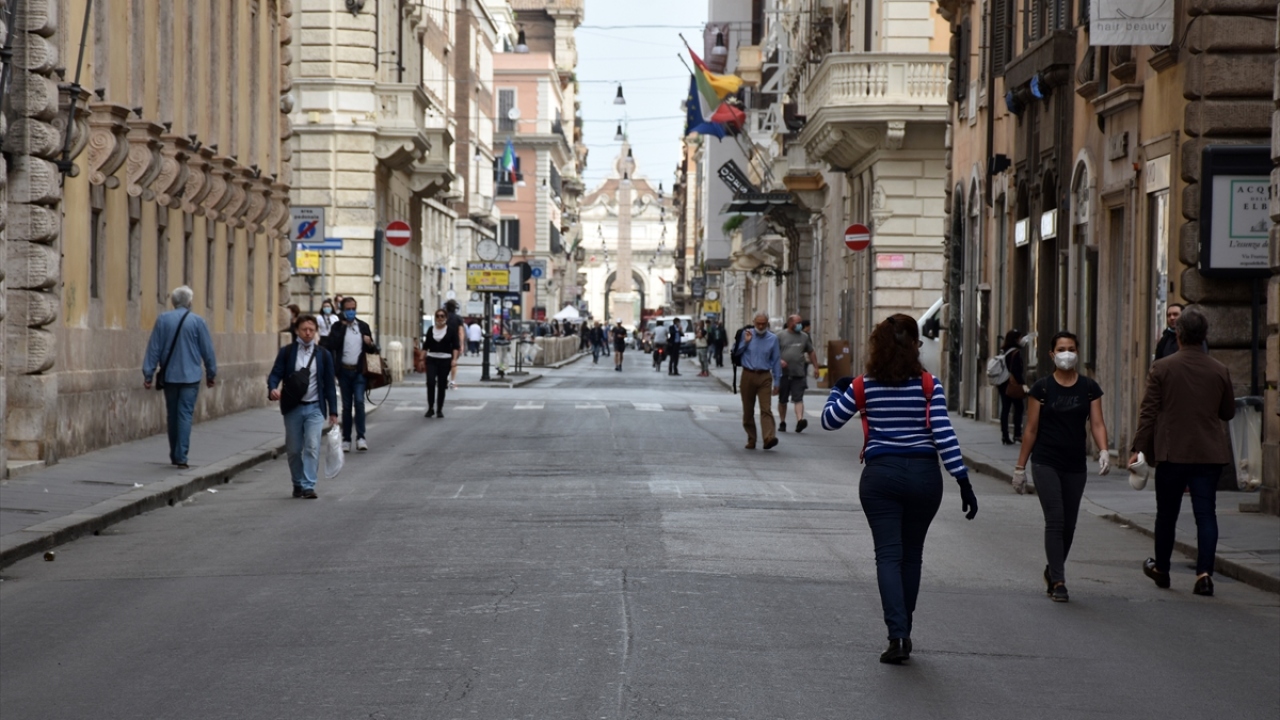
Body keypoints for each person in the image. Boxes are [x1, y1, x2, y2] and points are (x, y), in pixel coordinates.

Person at [820, 313, 977, 664]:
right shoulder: (928, 385)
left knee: (888, 556)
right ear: (915, 346)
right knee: (912, 554)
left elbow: (830, 421)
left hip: (881, 477)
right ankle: (905, 626)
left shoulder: (864, 385)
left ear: (878, 346)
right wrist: (962, 480)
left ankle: (898, 635)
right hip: (924, 476)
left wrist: (838, 390)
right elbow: (943, 434)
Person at [1131, 308, 1235, 597]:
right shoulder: (1219, 370)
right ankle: (1204, 574)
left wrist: (1138, 448)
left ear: (1178, 335)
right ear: (1204, 336)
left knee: (1167, 514)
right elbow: (1227, 412)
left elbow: (1148, 412)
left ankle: (1162, 569)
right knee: (1206, 514)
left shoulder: (1162, 368)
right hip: (1208, 454)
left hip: (1172, 453)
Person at [1014, 331, 1110, 603]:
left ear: (1077, 352)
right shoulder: (1042, 389)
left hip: (1075, 464)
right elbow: (1031, 430)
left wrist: (1104, 450)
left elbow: (1097, 423)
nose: (1066, 353)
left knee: (1069, 525)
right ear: (1052, 354)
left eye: (1071, 348)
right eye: (1061, 349)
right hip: (1046, 461)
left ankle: (1052, 568)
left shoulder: (1089, 388)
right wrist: (1020, 467)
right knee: (1055, 519)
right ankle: (1058, 580)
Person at [142, 286, 218, 469]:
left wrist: (148, 374)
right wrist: (211, 373)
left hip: (169, 377)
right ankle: (181, 456)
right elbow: (207, 350)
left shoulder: (163, 320)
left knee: (173, 415)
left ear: (173, 302)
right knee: (185, 415)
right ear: (190, 302)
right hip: (190, 377)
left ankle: (174, 453)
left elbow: (154, 348)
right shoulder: (198, 322)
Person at [267, 315, 338, 498]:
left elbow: (329, 385)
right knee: (293, 449)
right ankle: (297, 482)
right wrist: (273, 388)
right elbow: (275, 373)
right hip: (293, 408)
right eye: (304, 329)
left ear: (316, 332)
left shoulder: (323, 355)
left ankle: (308, 485)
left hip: (314, 408)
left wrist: (333, 412)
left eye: (311, 330)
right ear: (297, 330)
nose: (308, 333)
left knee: (312, 446)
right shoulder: (288, 352)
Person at [321, 297, 377, 453]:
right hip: (344, 371)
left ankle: (361, 437)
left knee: (359, 402)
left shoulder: (363, 326)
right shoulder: (337, 326)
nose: (351, 311)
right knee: (346, 407)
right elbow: (332, 345)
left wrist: (369, 343)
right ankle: (346, 439)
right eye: (348, 309)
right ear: (343, 310)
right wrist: (344, 328)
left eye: (353, 308)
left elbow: (373, 350)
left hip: (359, 372)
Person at [737, 313, 782, 450]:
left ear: (767, 323)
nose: (761, 326)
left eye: (763, 323)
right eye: (758, 323)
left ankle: (768, 438)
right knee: (748, 410)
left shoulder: (773, 339)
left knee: (766, 409)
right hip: (748, 375)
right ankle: (752, 439)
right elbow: (736, 352)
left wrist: (777, 382)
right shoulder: (746, 334)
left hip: (764, 376)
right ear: (754, 322)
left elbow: (776, 360)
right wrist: (745, 342)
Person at [777, 315, 820, 433]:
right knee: (783, 399)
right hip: (784, 374)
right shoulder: (780, 336)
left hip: (799, 373)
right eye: (798, 322)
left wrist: (816, 367)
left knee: (798, 398)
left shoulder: (804, 337)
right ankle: (782, 422)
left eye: (801, 322)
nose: (800, 325)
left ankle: (800, 421)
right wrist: (779, 361)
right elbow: (773, 352)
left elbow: (811, 352)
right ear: (790, 323)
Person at [422, 308, 461, 418]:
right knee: (430, 382)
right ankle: (430, 408)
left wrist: (454, 360)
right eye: (437, 316)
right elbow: (426, 346)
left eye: (442, 316)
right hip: (431, 359)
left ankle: (439, 409)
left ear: (446, 318)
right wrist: (421, 359)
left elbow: (455, 346)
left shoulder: (451, 330)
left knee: (441, 384)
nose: (439, 318)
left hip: (445, 360)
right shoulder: (430, 330)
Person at [997, 329, 1026, 445]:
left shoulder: (1003, 351)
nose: (1021, 340)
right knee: (1019, 407)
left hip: (1002, 383)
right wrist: (1023, 384)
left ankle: (1005, 435)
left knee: (1005, 409)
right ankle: (1017, 434)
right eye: (1019, 338)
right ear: (1015, 339)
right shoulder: (1015, 352)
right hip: (1012, 384)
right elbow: (1016, 371)